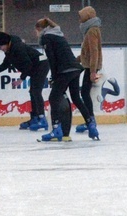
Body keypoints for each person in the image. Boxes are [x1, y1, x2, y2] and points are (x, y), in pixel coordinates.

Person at [35, 18, 99, 141]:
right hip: (75, 68)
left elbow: (52, 59)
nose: (36, 34)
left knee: (53, 98)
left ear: (40, 29)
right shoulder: (58, 34)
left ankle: (56, 129)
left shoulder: (46, 38)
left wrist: (54, 77)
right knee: (76, 98)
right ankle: (90, 123)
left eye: (36, 31)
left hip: (65, 70)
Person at [0, 32, 50, 131]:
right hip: (36, 67)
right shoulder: (9, 50)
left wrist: (21, 79)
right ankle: (35, 118)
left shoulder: (17, 48)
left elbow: (28, 64)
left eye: (0, 46)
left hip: (41, 65)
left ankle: (42, 119)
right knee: (33, 92)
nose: (0, 49)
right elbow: (5, 65)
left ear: (6, 43)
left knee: (36, 91)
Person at [75, 6, 103, 134]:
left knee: (85, 93)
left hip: (91, 67)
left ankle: (90, 120)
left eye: (81, 16)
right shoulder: (90, 29)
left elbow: (94, 51)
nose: (79, 19)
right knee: (85, 93)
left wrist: (93, 71)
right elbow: (88, 51)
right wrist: (78, 59)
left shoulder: (92, 30)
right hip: (89, 65)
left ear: (87, 16)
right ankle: (90, 119)